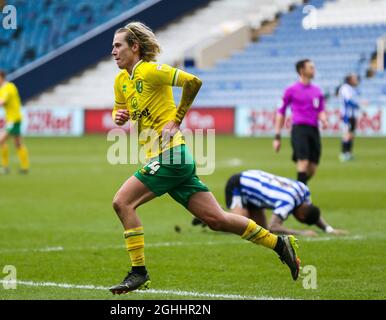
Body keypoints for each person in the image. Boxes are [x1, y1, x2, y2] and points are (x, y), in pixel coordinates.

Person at [109, 21, 301, 295]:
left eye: (118, 45)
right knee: (217, 219)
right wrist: (118, 116)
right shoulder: (120, 81)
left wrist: (176, 120)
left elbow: (193, 81)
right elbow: (119, 110)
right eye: (112, 47)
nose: (113, 51)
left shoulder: (150, 71)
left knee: (122, 202)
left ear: (135, 47)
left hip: (172, 155)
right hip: (167, 160)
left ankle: (139, 272)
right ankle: (280, 244)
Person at [221, 170, 347, 236]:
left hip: (254, 188)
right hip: (239, 184)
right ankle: (208, 215)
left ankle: (216, 213)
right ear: (301, 217)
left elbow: (313, 212)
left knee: (260, 231)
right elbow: (274, 226)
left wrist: (329, 229)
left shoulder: (304, 190)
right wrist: (301, 233)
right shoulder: (288, 201)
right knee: (236, 226)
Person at [273, 59, 329, 185]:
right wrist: (277, 136)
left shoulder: (317, 91)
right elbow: (281, 112)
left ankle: (294, 189)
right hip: (299, 129)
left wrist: (324, 119)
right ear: (302, 70)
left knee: (312, 168)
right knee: (303, 162)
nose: (314, 70)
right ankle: (302, 200)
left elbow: (321, 110)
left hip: (314, 130)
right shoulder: (291, 90)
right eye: (311, 67)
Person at [338, 74, 363, 162]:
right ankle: (343, 153)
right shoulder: (345, 88)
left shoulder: (352, 89)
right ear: (350, 80)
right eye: (354, 78)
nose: (356, 80)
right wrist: (358, 105)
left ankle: (349, 153)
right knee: (347, 134)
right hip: (347, 115)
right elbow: (348, 101)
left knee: (351, 135)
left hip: (352, 115)